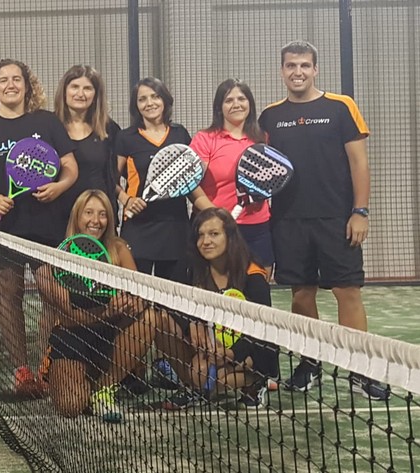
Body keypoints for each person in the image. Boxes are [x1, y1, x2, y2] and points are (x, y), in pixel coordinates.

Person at [258, 41, 387, 400]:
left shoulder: (341, 107)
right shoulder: (269, 116)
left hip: (337, 219)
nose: (297, 71)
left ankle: (361, 371)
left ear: (315, 69)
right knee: (301, 294)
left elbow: (359, 162)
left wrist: (360, 211)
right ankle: (309, 363)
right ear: (281, 71)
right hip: (287, 221)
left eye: (304, 65)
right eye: (290, 65)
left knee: (347, 292)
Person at [0, 59, 79, 396]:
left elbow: (69, 167)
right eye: (3, 80)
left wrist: (59, 186)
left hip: (45, 228)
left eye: (17, 79)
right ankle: (22, 371)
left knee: (51, 297)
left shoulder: (47, 122)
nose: (10, 85)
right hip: (2, 231)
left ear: (27, 85)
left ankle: (47, 366)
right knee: (8, 298)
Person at [34, 189, 170, 420]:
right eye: (89, 213)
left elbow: (140, 294)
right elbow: (68, 319)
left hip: (110, 334)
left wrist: (134, 303)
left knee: (149, 319)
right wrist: (108, 312)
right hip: (72, 336)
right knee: (70, 407)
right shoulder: (56, 258)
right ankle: (78, 378)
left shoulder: (118, 249)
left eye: (102, 214)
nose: (95, 221)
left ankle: (103, 390)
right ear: (77, 217)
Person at [162, 208, 279, 410]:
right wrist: (191, 325)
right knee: (162, 319)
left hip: (248, 347)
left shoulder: (252, 275)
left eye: (214, 234)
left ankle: (255, 381)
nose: (205, 241)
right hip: (208, 347)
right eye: (200, 235)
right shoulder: (191, 266)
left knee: (216, 381)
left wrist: (231, 353)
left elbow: (263, 331)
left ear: (230, 237)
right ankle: (194, 388)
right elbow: (170, 303)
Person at [116, 77, 213, 279]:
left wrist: (216, 213)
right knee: (135, 295)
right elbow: (111, 180)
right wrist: (127, 200)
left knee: (173, 298)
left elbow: (190, 183)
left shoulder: (180, 134)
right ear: (136, 105)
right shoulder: (126, 138)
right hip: (138, 228)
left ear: (165, 100)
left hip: (175, 228)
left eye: (155, 96)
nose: (149, 103)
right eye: (142, 99)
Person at [190, 79, 274, 279]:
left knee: (258, 288)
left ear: (250, 104)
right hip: (215, 228)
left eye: (241, 99)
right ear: (220, 107)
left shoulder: (263, 139)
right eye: (229, 100)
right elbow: (192, 185)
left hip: (257, 227)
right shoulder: (204, 139)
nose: (236, 104)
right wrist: (216, 216)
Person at [53, 65, 122, 213]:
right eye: (74, 87)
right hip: (58, 217)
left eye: (87, 88)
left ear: (96, 95)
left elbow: (116, 175)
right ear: (64, 91)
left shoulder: (110, 129)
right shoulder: (49, 126)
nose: (80, 94)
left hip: (97, 217)